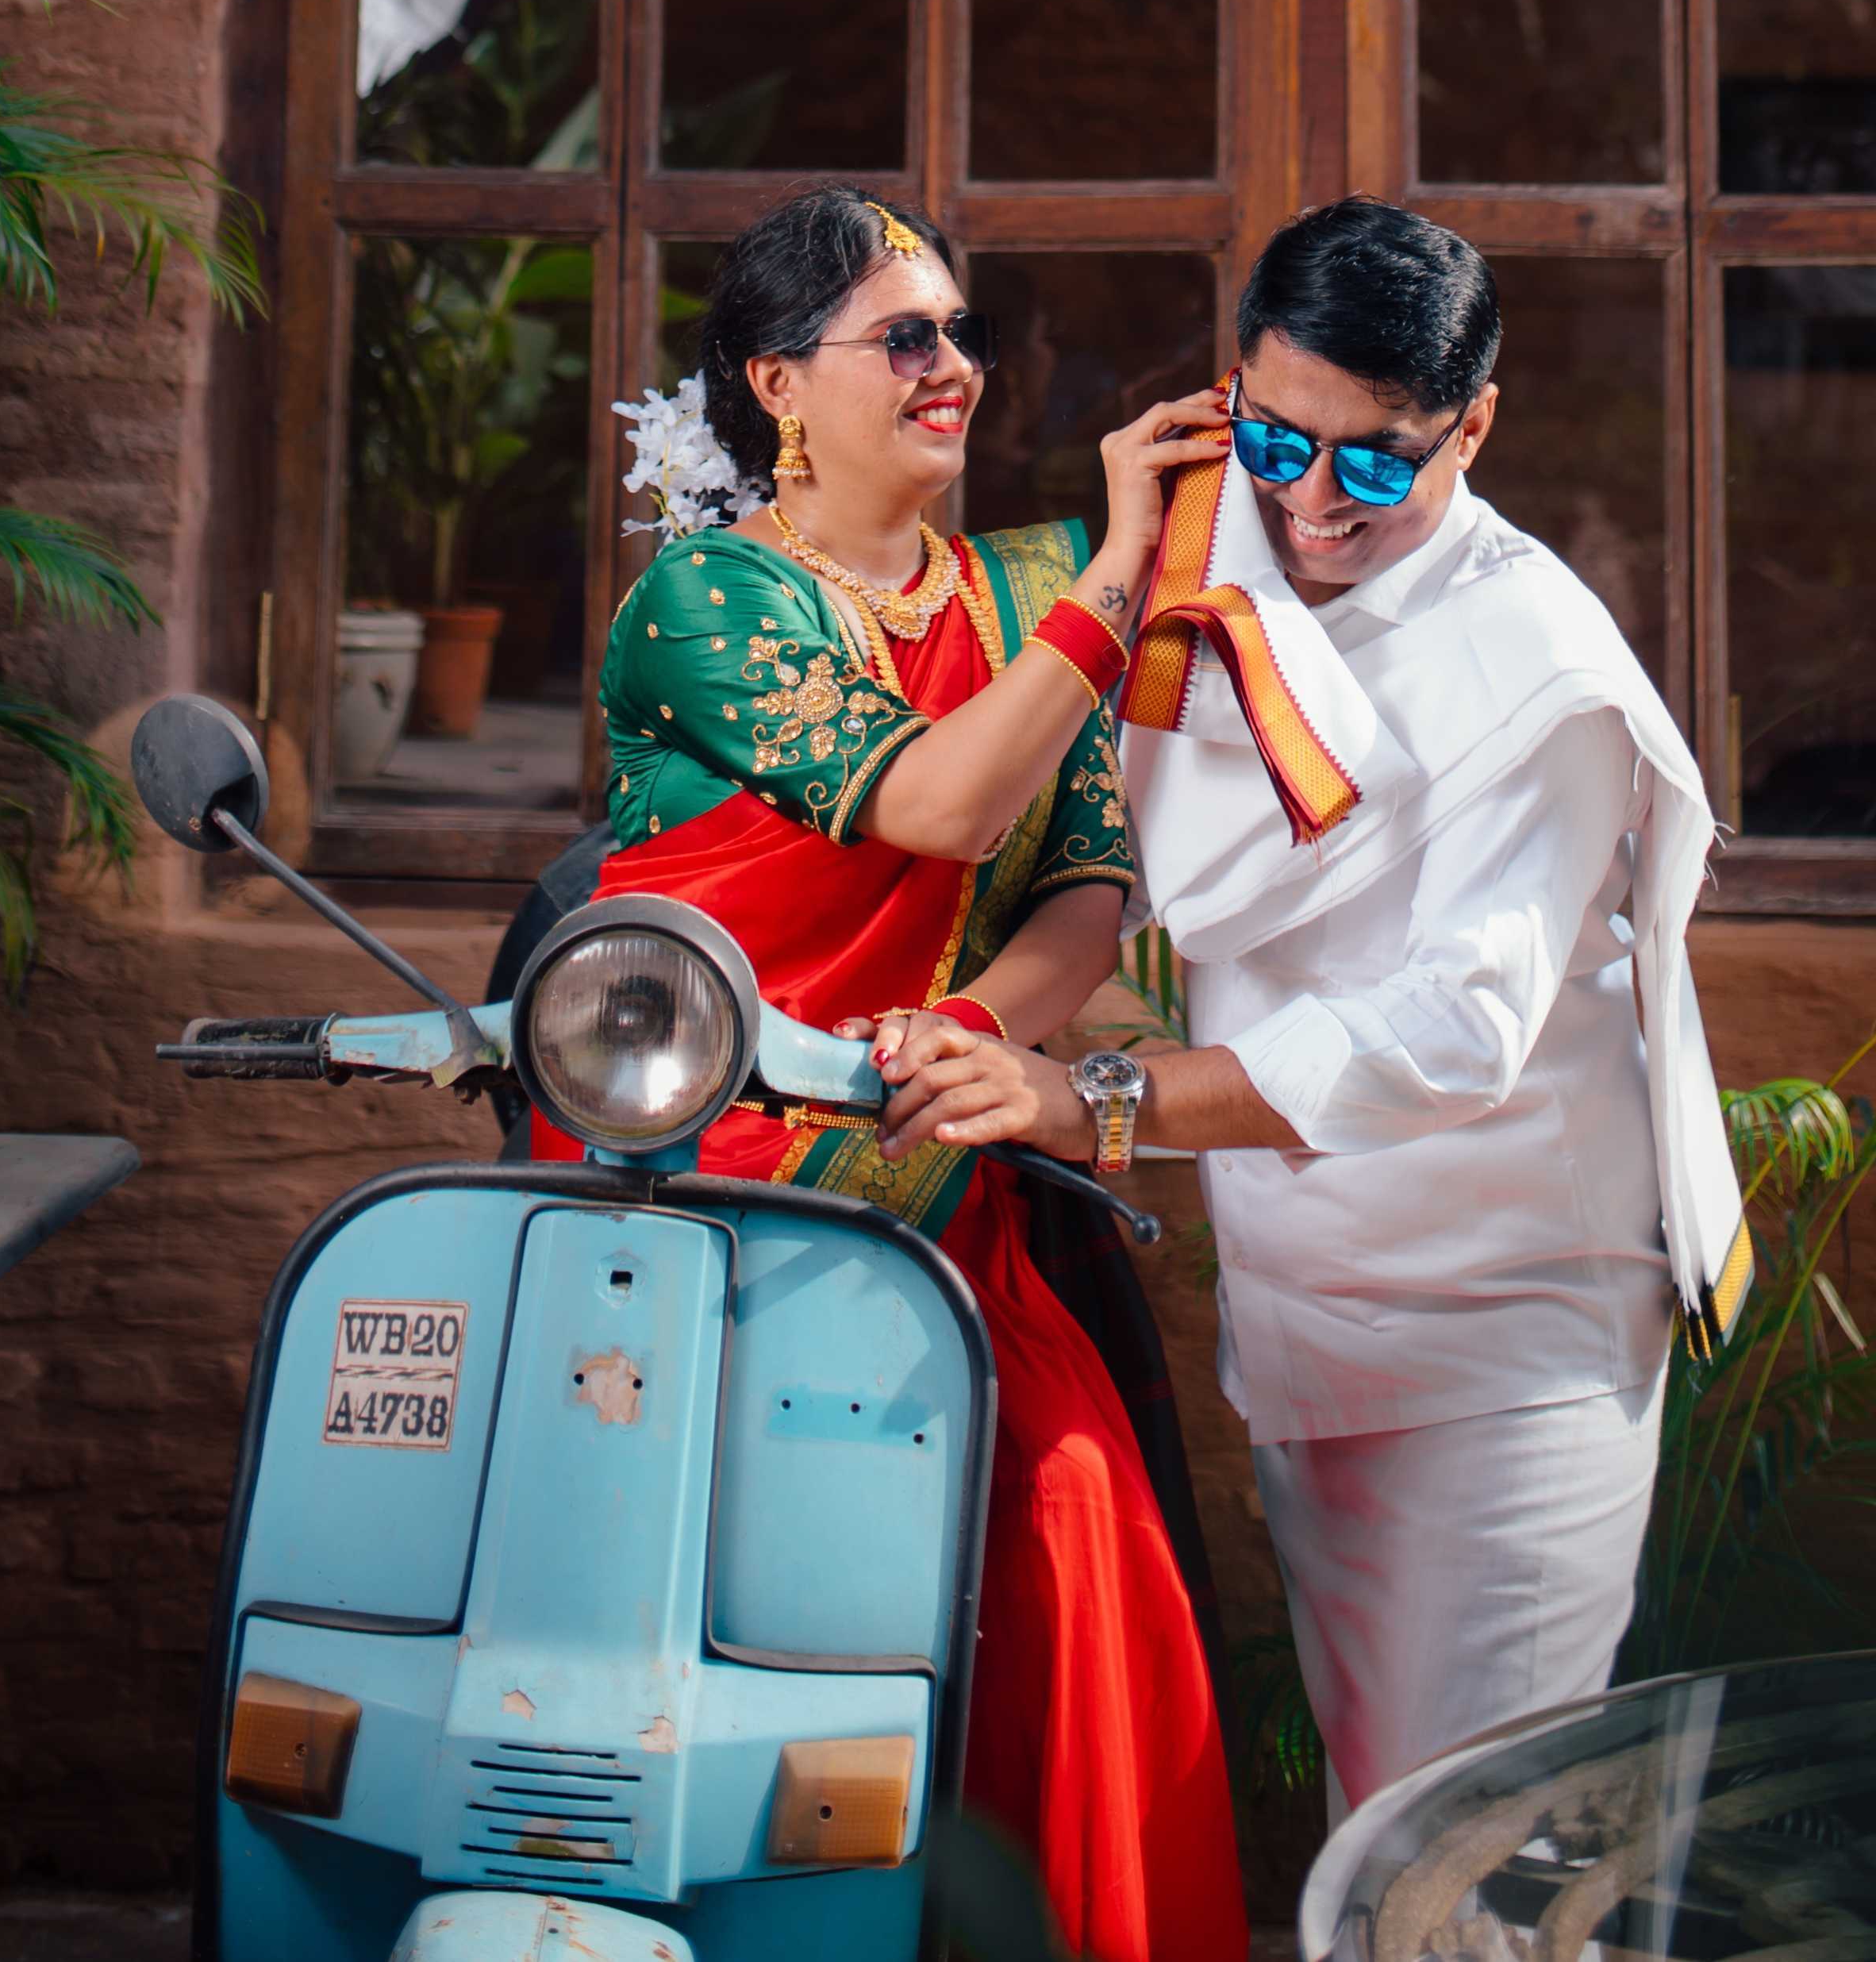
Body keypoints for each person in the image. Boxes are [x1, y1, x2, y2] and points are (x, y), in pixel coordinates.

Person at [870, 194, 1751, 1821]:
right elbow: (1063, 842)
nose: (1318, 504)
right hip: (1310, 1302)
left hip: (1507, 1325)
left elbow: (1452, 1031)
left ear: (1471, 426)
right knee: (1378, 1818)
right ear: (1234, 388)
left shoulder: (1540, 662)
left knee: (1476, 1853)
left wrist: (1102, 1105)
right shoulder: (1206, 548)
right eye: (1280, 441)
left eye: (1374, 461)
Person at [547, 183, 1248, 1962]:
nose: (952, 367)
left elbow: (1090, 885)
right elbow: (935, 798)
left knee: (1077, 1523)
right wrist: (1113, 570)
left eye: (959, 334)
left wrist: (978, 1029)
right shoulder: (703, 603)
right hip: (706, 1195)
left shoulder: (1008, 597)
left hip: (934, 1179)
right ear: (778, 386)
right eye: (904, 336)